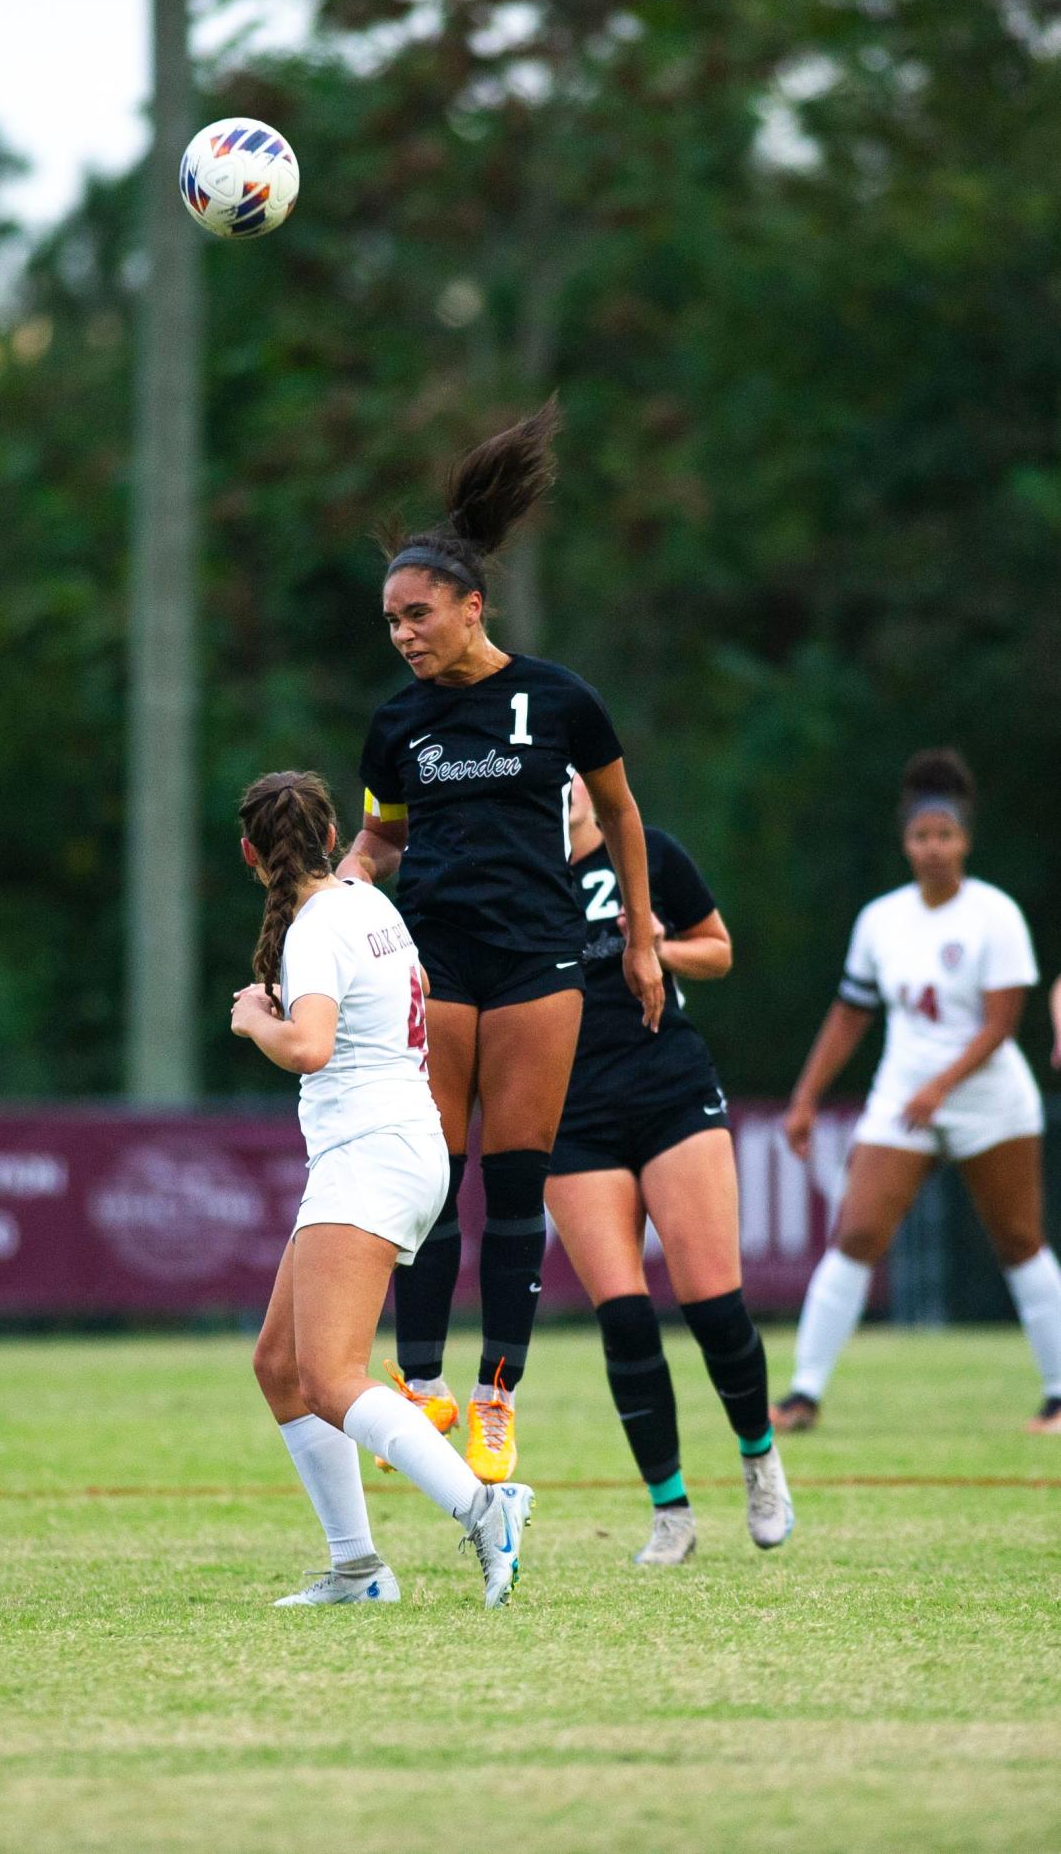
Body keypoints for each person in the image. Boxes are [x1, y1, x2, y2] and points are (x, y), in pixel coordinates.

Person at [336, 397, 664, 1484]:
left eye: (419, 615)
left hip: (538, 960)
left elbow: (619, 815)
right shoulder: (396, 723)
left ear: (473, 607)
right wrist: (336, 889)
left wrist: (645, 937)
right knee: (431, 1178)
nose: (404, 636)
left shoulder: (560, 701)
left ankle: (495, 1397)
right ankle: (421, 1386)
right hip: (436, 962)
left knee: (519, 1187)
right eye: (392, 623)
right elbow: (381, 837)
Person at [232, 770, 535, 1608]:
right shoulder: (371, 902)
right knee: (281, 1365)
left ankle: (484, 1508)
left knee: (330, 1376)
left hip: (370, 1149)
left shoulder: (316, 927)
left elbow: (312, 1047)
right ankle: (358, 1570)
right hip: (400, 1142)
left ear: (251, 852)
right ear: (332, 839)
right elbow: (419, 990)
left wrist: (258, 1018)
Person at [773, 749, 1061, 1437]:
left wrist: (941, 1086)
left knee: (1020, 1240)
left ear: (965, 840)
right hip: (905, 1097)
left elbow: (1000, 1025)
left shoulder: (994, 915)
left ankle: (1057, 1395)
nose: (933, 848)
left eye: (946, 836)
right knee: (856, 1232)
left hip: (989, 1102)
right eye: (921, 837)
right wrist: (806, 1096)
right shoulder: (881, 920)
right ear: (906, 843)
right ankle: (802, 1395)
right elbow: (849, 1014)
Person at [543, 777, 793, 1564]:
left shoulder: (644, 854)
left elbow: (718, 949)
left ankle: (760, 1459)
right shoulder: (514, 883)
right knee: (622, 1314)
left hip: (669, 1091)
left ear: (589, 783)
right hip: (571, 1114)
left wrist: (654, 945)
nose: (561, 787)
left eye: (571, 771)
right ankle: (670, 1510)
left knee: (713, 1305)